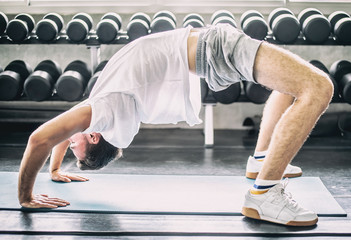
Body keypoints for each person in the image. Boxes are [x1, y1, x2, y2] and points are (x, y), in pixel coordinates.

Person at [18, 23, 333, 226]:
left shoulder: (104, 118)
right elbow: (41, 139)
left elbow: (53, 138)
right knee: (318, 88)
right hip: (213, 47)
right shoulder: (104, 111)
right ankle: (264, 194)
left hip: (208, 50)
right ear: (95, 137)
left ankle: (261, 161)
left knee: (291, 85)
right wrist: (27, 196)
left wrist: (53, 171)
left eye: (72, 147)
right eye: (77, 149)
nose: (71, 144)